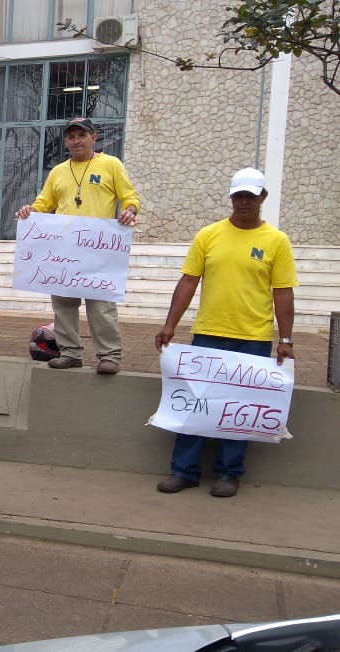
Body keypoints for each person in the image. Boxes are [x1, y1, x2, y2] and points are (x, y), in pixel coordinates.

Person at [154, 167, 298, 499]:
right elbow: (188, 282)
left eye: (251, 195)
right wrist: (169, 325)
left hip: (254, 338)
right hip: (208, 334)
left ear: (263, 197)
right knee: (196, 403)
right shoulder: (209, 235)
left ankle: (229, 473)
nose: (244, 201)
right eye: (239, 195)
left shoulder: (276, 241)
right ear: (231, 197)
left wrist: (286, 340)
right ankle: (184, 471)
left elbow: (283, 292)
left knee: (240, 407)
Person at [15, 116, 140, 375]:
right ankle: (70, 352)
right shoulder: (58, 171)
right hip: (65, 252)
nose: (76, 140)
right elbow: (43, 203)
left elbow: (129, 196)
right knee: (63, 305)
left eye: (82, 135)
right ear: (66, 142)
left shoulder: (111, 165)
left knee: (101, 307)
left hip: (99, 251)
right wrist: (31, 211)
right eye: (71, 137)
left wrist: (129, 210)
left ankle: (109, 355)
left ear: (94, 137)